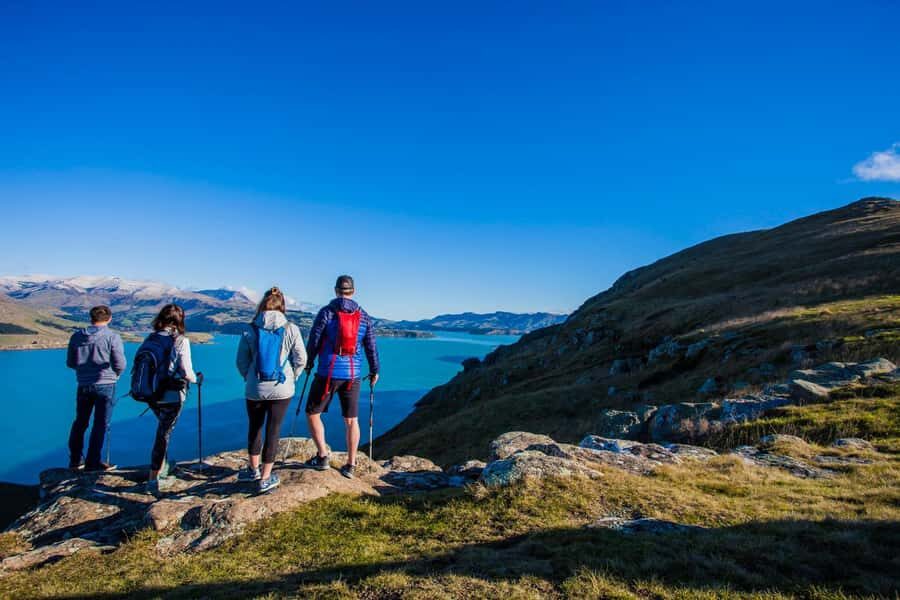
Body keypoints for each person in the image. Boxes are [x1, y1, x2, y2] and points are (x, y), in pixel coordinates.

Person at [304, 275, 379, 479]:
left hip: (327, 373)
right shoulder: (364, 316)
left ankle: (322, 456)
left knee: (312, 413)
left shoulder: (326, 313)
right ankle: (351, 464)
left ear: (336, 290)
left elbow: (315, 340)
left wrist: (309, 362)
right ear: (353, 291)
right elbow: (371, 347)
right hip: (353, 375)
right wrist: (374, 370)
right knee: (351, 420)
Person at [236, 287, 307, 493]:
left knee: (255, 427)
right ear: (282, 305)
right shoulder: (291, 328)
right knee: (273, 430)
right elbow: (301, 358)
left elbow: (241, 360)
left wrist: (249, 378)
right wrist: (292, 377)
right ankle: (266, 478)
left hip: (255, 387)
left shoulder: (249, 329)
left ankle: (253, 469)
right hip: (282, 389)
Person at [143, 304, 197, 495]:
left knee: (163, 429)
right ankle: (155, 477)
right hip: (171, 394)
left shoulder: (151, 337)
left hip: (151, 393)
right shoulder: (180, 340)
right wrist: (196, 378)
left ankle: (161, 466)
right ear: (179, 319)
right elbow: (186, 371)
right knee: (164, 433)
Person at [66, 305, 126, 471]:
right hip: (105, 384)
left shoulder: (77, 337)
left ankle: (75, 460)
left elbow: (71, 363)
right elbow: (120, 363)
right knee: (100, 424)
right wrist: (117, 374)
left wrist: (84, 371)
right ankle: (93, 462)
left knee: (80, 422)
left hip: (83, 384)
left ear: (91, 318)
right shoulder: (112, 337)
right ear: (109, 318)